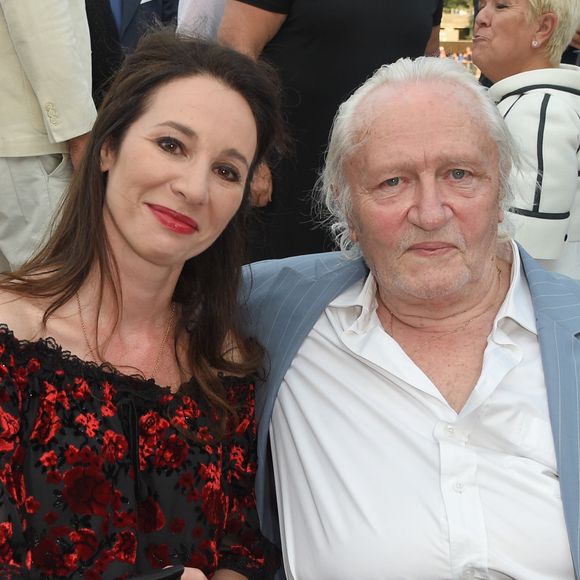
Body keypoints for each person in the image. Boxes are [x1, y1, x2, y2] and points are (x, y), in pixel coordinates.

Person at [242, 57, 580, 579]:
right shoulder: (273, 312)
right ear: (345, 207)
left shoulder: (571, 332)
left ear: (501, 189)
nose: (429, 212)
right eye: (393, 181)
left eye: (460, 174)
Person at [0, 30, 284, 579]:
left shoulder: (225, 365)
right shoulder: (11, 342)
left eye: (227, 170)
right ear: (107, 146)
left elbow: (242, 546)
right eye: (172, 145)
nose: (194, 187)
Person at [219, 0, 444, 260]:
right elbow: (235, 48)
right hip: (288, 174)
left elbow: (426, 61)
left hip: (388, 182)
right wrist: (252, 152)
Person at [472, 0, 580, 278]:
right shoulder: (542, 103)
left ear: (543, 28)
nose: (481, 17)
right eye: (483, 5)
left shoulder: (539, 109)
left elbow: (523, 251)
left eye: (501, 6)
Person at [0, 1, 97, 271]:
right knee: (51, 290)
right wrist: (80, 134)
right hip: (30, 148)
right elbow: (44, 29)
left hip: (19, 144)